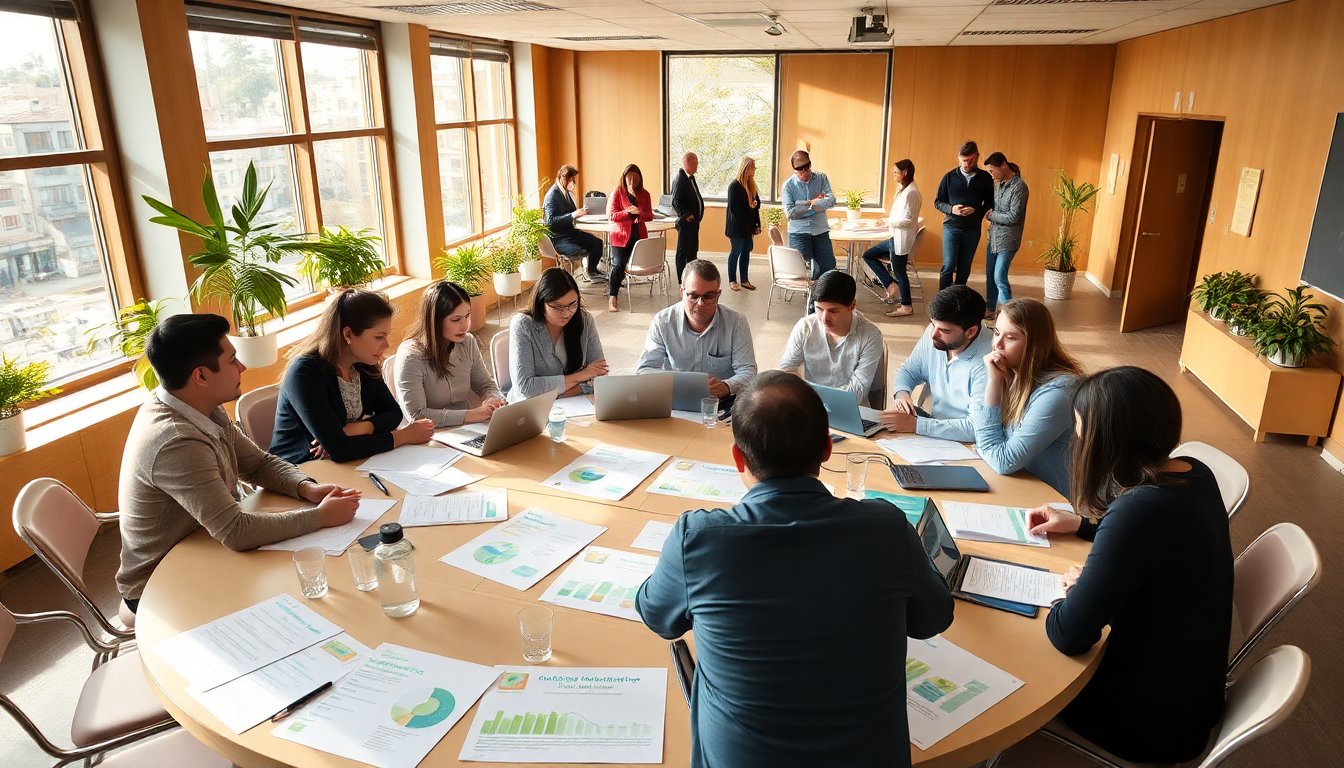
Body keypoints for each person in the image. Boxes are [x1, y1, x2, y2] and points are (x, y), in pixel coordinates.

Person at [636, 371, 954, 768]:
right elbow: (933, 618)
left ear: (738, 458)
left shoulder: (699, 539)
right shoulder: (886, 528)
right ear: (826, 449)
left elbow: (657, 617)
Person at [1024, 366, 1232, 763]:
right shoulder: (1192, 472)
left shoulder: (1140, 510)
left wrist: (1072, 593)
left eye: (1080, 427)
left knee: (1019, 658)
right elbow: (1151, 541)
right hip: (1186, 693)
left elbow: (1068, 635)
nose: (1077, 437)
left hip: (1141, 724)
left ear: (1105, 441)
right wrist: (1085, 527)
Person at [116, 314, 361, 612]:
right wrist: (319, 518)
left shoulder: (200, 405)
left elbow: (257, 465)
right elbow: (236, 531)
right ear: (201, 376)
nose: (242, 367)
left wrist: (304, 488)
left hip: (206, 547)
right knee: (305, 599)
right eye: (233, 360)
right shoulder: (176, 441)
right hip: (161, 583)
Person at [270, 289, 434, 465]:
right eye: (379, 336)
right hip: (298, 471)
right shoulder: (304, 372)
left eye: (386, 335)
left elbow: (393, 414)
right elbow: (339, 449)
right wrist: (403, 436)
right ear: (348, 334)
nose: (386, 344)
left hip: (344, 466)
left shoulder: (364, 364)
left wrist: (357, 428)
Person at [970, 298, 1082, 495]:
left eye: (1011, 337)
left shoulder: (1059, 391)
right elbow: (978, 428)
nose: (998, 344)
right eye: (996, 333)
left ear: (1035, 343)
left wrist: (993, 383)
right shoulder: (1012, 372)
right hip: (1026, 486)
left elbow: (1003, 461)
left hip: (1063, 504)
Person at [636, 259, 756, 405]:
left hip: (722, 403)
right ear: (682, 292)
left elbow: (748, 371)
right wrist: (679, 383)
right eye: (693, 296)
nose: (701, 304)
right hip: (677, 403)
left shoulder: (736, 322)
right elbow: (644, 370)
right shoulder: (662, 322)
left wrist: (726, 386)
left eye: (709, 296)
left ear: (718, 295)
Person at [883, 285, 990, 441]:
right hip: (931, 422)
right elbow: (908, 371)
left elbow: (977, 428)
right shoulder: (935, 333)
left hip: (965, 440)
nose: (933, 334)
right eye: (933, 325)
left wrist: (917, 425)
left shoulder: (989, 360)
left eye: (944, 330)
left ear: (971, 331)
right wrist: (902, 394)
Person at [393, 280, 505, 428]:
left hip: (467, 429)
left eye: (467, 316)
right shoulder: (411, 356)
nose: (466, 325)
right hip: (429, 437)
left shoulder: (468, 342)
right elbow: (417, 415)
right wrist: (470, 415)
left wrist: (492, 398)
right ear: (434, 321)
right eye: (456, 319)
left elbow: (486, 385)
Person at [778, 270, 885, 405]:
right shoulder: (805, 327)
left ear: (852, 306)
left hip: (850, 409)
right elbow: (785, 372)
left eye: (833, 311)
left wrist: (807, 393)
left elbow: (857, 392)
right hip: (811, 406)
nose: (824, 318)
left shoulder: (870, 336)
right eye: (819, 309)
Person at [508, 267, 608, 401]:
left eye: (572, 304)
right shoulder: (522, 324)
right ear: (541, 302)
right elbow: (526, 387)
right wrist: (581, 376)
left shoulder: (584, 319)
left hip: (577, 404)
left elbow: (600, 375)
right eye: (557, 307)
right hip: (531, 409)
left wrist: (557, 391)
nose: (566, 313)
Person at [861, 158, 922, 317]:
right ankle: (890, 284)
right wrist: (888, 222)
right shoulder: (903, 188)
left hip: (901, 238)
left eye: (896, 172)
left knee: (899, 272)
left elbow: (909, 220)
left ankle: (906, 306)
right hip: (895, 236)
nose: (893, 175)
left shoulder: (912, 192)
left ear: (905, 172)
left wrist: (889, 222)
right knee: (868, 255)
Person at [780, 149, 836, 312]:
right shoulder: (788, 186)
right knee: (800, 270)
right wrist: (812, 203)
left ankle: (817, 301)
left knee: (828, 266)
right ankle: (812, 295)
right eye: (800, 169)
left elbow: (831, 200)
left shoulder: (821, 178)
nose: (805, 172)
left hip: (820, 231)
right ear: (794, 169)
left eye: (807, 166)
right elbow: (790, 214)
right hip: (798, 234)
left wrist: (802, 205)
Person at [933, 140, 994, 290]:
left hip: (972, 230)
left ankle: (958, 299)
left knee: (965, 268)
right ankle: (943, 301)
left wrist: (976, 211)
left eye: (971, 160)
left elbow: (991, 203)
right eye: (963, 161)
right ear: (958, 158)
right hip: (951, 228)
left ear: (977, 156)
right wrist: (951, 209)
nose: (967, 164)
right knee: (948, 266)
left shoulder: (985, 178)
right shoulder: (949, 177)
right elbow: (938, 202)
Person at [983, 152, 1029, 316]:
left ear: (1003, 165)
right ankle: (990, 310)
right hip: (993, 237)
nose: (992, 174)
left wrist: (991, 215)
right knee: (990, 276)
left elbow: (1014, 216)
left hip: (1008, 240)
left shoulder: (1019, 187)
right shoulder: (998, 184)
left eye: (992, 170)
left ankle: (1010, 316)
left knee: (999, 277)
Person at [542, 164, 606, 282]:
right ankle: (567, 281)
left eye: (573, 180)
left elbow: (572, 211)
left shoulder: (565, 192)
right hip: (559, 238)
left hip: (572, 234)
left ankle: (592, 271)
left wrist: (581, 211)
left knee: (598, 244)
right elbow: (550, 221)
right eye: (570, 179)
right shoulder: (552, 196)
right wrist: (573, 215)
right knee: (578, 250)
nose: (573, 182)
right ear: (562, 177)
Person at [607, 163, 654, 313]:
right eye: (630, 178)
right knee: (619, 264)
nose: (633, 181)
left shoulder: (645, 194)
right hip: (620, 236)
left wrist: (639, 212)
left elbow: (650, 216)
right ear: (624, 178)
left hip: (638, 234)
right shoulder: (618, 193)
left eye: (636, 178)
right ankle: (613, 297)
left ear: (640, 179)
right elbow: (613, 216)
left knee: (635, 264)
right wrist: (628, 213)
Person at [724, 155, 761, 291]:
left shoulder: (751, 185)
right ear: (746, 168)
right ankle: (732, 280)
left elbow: (756, 206)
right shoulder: (734, 186)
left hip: (749, 227)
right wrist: (750, 206)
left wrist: (756, 225)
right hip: (737, 228)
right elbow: (735, 210)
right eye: (753, 167)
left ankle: (744, 280)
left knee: (746, 252)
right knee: (736, 251)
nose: (754, 170)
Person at [671, 151, 705, 284]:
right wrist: (687, 215)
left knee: (692, 251)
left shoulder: (690, 178)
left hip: (694, 224)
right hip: (687, 223)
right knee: (683, 252)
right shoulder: (680, 178)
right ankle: (681, 281)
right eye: (695, 162)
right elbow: (675, 201)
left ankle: (691, 278)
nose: (697, 165)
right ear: (687, 162)